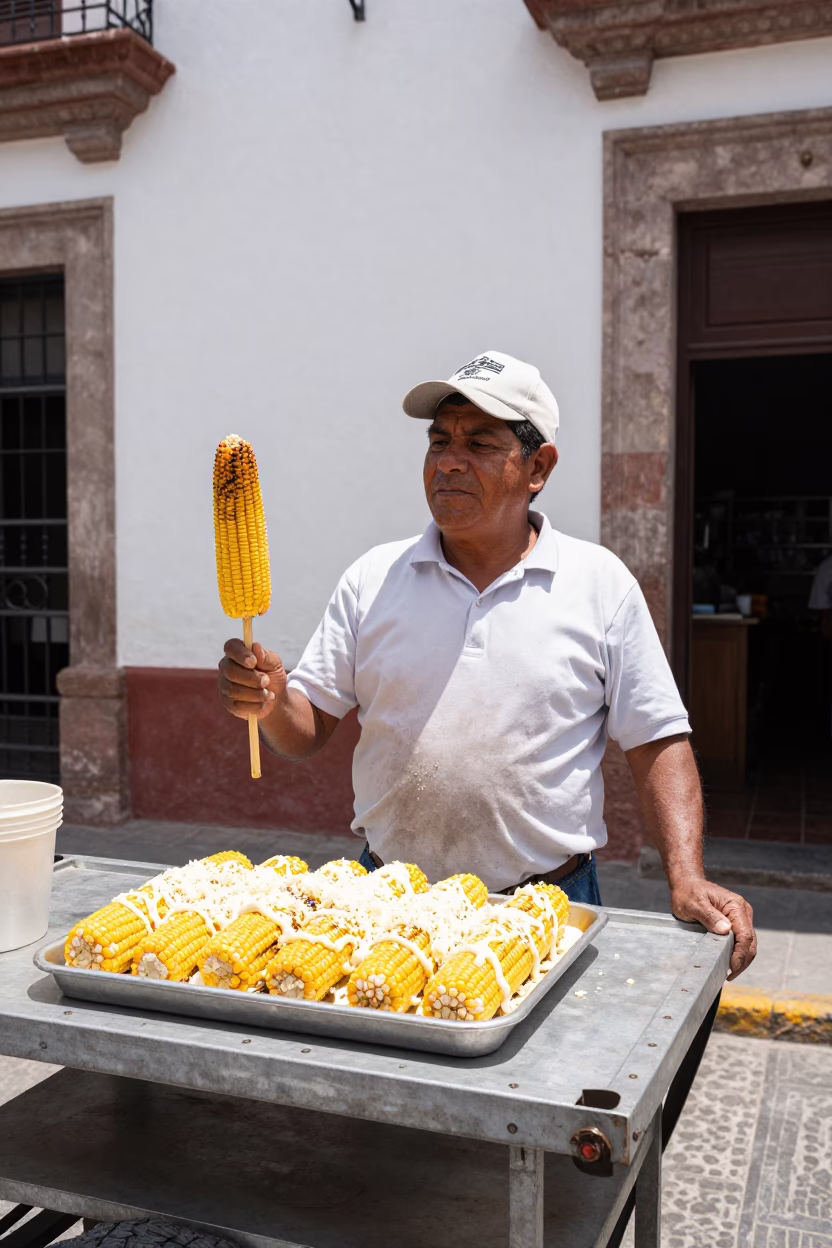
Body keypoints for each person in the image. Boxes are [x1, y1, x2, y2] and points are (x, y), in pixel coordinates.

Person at [218, 350, 756, 980]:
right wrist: (273, 702)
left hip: (544, 910)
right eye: (439, 440)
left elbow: (657, 740)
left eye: (479, 442)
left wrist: (686, 876)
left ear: (539, 466)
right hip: (385, 902)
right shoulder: (373, 579)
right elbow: (305, 731)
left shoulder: (599, 583)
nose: (448, 460)